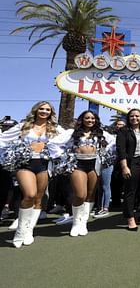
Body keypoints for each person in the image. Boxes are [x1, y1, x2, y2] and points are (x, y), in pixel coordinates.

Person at [0, 101, 63, 248]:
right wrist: (16, 150)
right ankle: (20, 231)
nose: (44, 111)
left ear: (51, 112)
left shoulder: (55, 128)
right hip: (25, 164)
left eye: (47, 109)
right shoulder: (23, 126)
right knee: (29, 194)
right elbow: (3, 139)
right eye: (41, 109)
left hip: (44, 164)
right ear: (36, 110)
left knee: (39, 198)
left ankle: (29, 230)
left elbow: (68, 139)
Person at [48, 110, 114, 237]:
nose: (90, 120)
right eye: (87, 118)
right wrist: (63, 156)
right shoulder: (72, 132)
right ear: (82, 119)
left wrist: (104, 152)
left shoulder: (101, 132)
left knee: (90, 194)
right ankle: (76, 222)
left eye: (92, 118)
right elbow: (53, 143)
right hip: (78, 164)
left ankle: (83, 222)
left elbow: (113, 142)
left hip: (95, 164)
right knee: (80, 194)